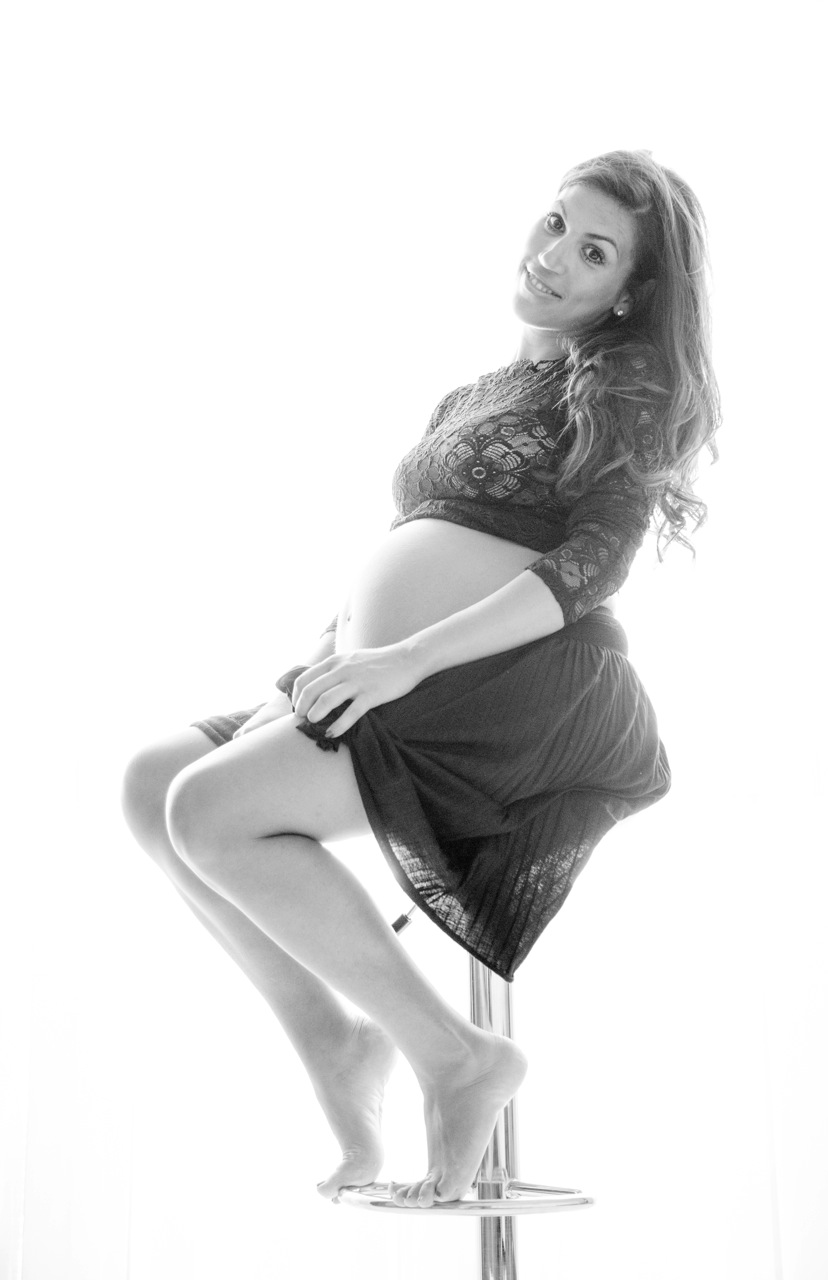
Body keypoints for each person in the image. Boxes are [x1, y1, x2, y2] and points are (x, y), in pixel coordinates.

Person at [121, 149, 720, 1211]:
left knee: (209, 810)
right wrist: (312, 670)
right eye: (555, 224)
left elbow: (593, 564)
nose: (553, 257)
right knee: (154, 778)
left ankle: (454, 1055)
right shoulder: (475, 392)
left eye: (593, 253)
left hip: (514, 691)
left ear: (627, 292)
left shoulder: (620, 387)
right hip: (395, 674)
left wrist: (402, 657)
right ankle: (336, 1040)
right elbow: (406, 546)